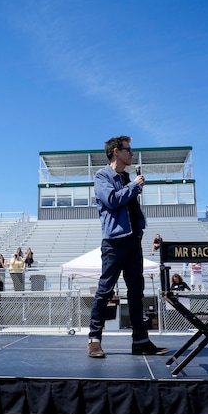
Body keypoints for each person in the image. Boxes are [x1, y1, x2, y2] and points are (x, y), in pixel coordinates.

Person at [87, 135, 167, 358]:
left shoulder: (126, 177)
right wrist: (134, 186)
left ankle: (140, 341)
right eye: (128, 149)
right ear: (116, 151)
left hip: (133, 240)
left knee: (136, 292)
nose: (131, 153)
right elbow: (111, 200)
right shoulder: (103, 176)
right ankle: (94, 339)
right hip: (114, 242)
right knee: (105, 291)